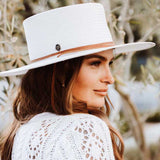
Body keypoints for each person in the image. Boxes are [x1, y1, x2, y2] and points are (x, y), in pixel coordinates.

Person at [0, 3, 155, 160]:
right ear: (61, 72)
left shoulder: (22, 133)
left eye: (109, 64)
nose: (110, 78)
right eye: (95, 63)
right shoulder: (84, 128)